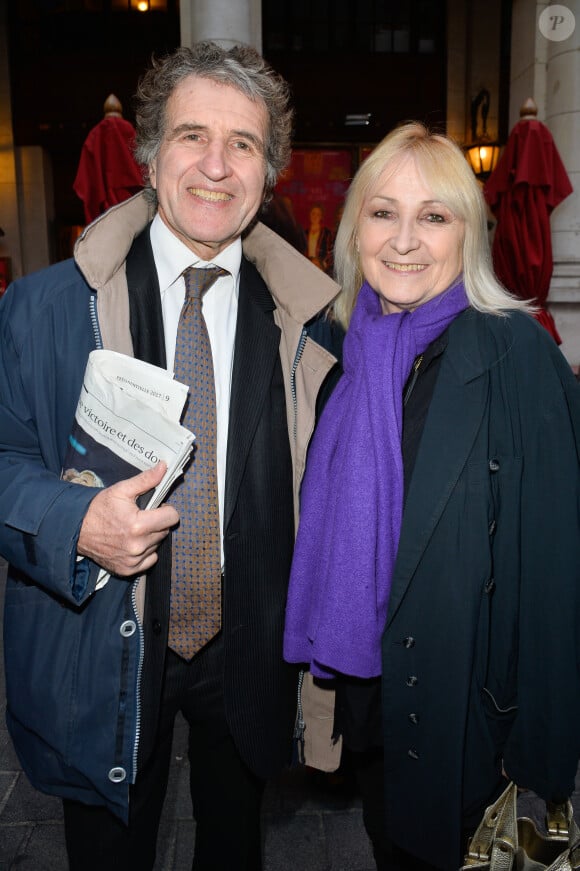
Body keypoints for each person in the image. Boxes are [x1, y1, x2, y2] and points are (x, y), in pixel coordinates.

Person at [0, 42, 341, 870]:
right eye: (192, 136)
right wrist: (75, 519)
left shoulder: (311, 325)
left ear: (270, 174)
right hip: (104, 639)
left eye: (244, 145)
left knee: (234, 849)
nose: (216, 166)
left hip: (248, 644)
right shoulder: (45, 308)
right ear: (150, 157)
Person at [283, 122, 580, 870]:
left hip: (472, 721)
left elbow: (556, 570)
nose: (405, 239)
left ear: (467, 235)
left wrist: (541, 758)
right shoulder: (346, 349)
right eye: (383, 212)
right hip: (374, 697)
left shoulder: (518, 353)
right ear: (356, 230)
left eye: (434, 216)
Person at [305, 202, 334, 274]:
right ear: (310, 215)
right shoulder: (304, 233)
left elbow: (331, 252)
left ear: (321, 217)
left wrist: (322, 264)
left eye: (318, 214)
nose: (315, 216)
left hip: (321, 270)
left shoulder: (327, 233)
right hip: (305, 266)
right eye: (313, 213)